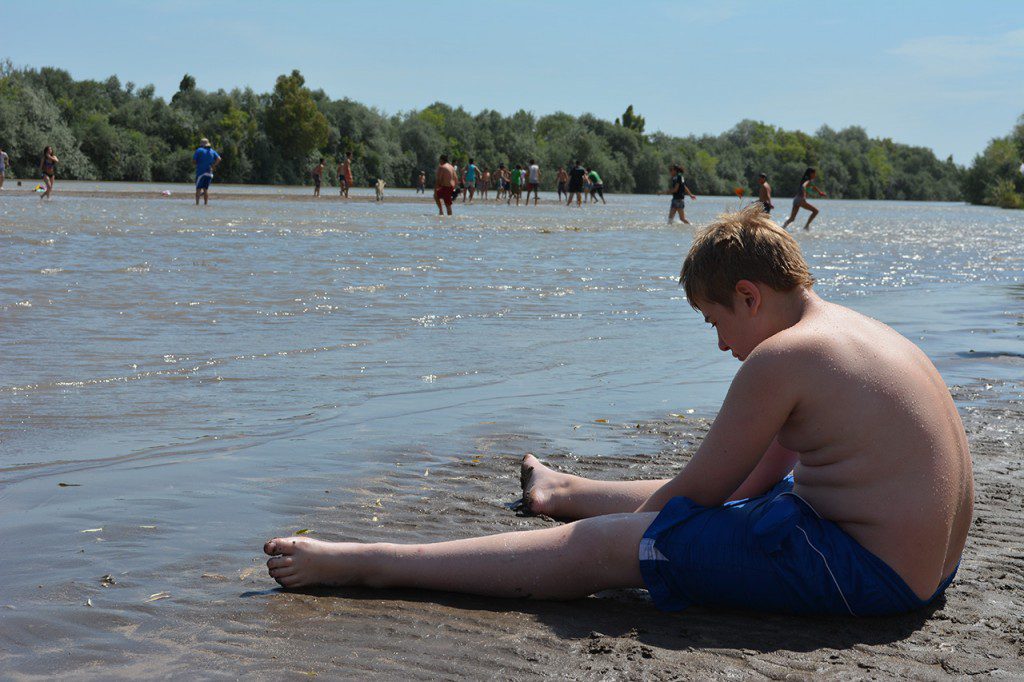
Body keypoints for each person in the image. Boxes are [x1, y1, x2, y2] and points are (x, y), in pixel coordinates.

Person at [263, 204, 972, 618]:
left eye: (716, 322)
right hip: (924, 568)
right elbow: (752, 481)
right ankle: (561, 490)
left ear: (750, 296)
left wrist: (615, 542)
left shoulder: (779, 358)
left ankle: (369, 564)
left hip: (867, 575)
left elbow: (695, 498)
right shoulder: (851, 331)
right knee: (712, 505)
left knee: (612, 545)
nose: (722, 344)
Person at [193, 138, 221, 206]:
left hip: (201, 172)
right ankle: (205, 204)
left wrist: (197, 164)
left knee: (198, 189)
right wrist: (213, 166)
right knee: (205, 189)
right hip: (209, 173)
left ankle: (197, 204)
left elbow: (194, 160)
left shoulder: (199, 150)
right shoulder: (212, 151)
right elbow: (219, 159)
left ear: (201, 144)